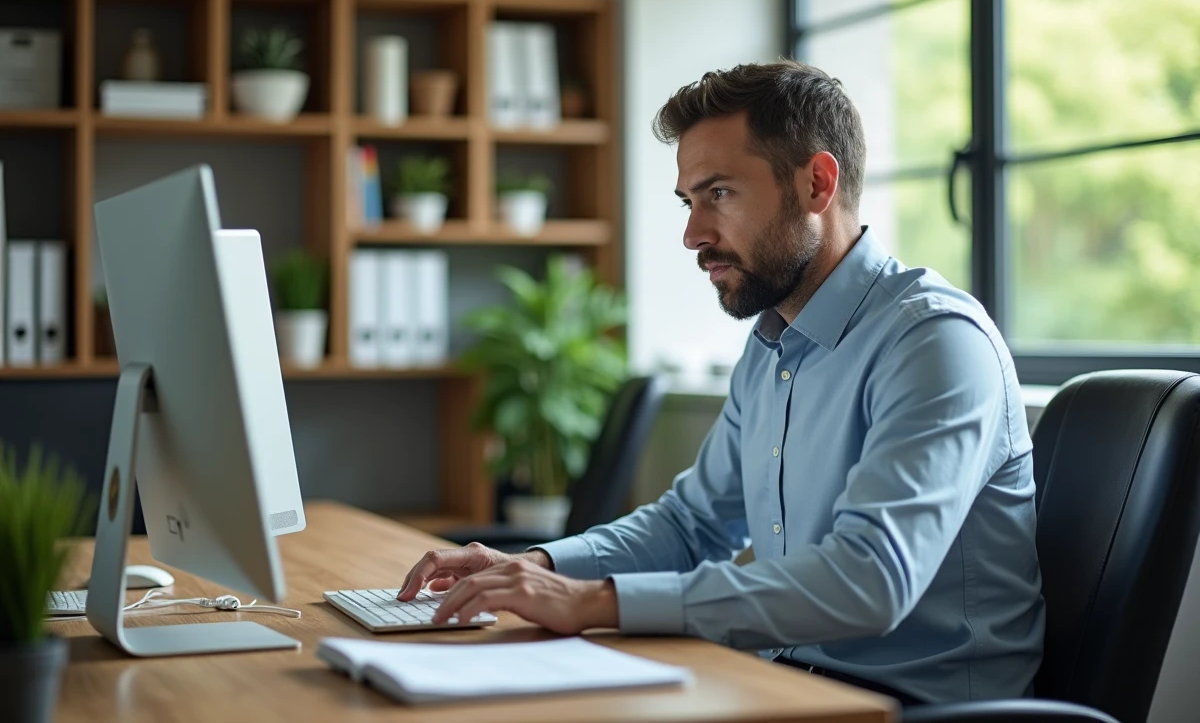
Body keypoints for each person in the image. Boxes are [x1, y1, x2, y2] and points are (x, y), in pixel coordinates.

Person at [398, 59, 1045, 705]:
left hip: (905, 709)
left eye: (720, 194)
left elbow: (869, 580)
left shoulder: (934, 341)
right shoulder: (770, 346)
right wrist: (537, 567)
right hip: (783, 691)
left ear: (817, 184)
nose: (692, 235)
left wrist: (596, 601)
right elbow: (691, 526)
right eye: (689, 201)